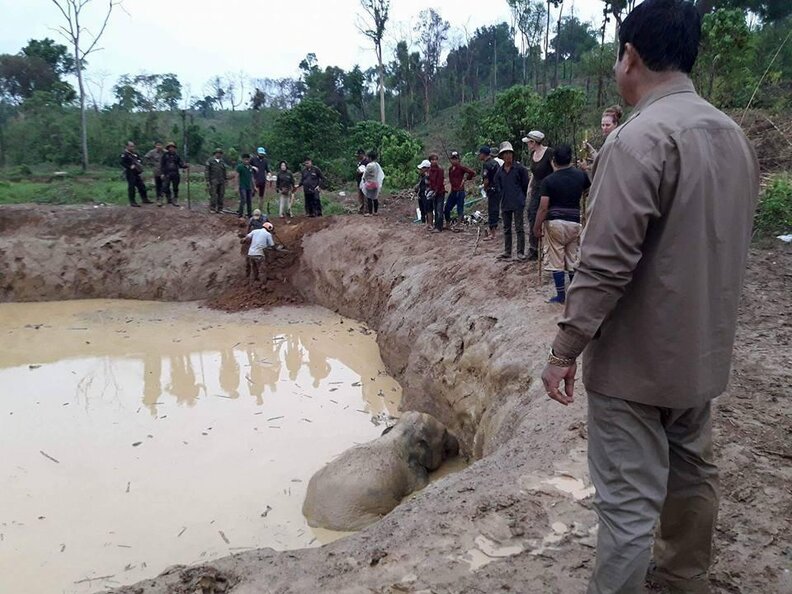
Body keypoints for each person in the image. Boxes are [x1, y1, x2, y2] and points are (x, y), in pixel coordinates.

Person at [539, 2, 760, 593]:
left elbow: (605, 263)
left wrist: (564, 349)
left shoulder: (637, 140)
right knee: (692, 476)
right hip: (700, 356)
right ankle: (685, 579)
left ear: (630, 57)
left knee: (627, 503)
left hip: (634, 366)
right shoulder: (734, 138)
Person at [532, 144, 590, 303]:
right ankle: (575, 294)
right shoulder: (581, 176)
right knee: (572, 259)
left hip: (555, 223)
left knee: (556, 260)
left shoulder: (548, 181)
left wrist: (536, 226)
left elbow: (543, 207)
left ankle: (561, 295)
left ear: (554, 161)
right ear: (570, 158)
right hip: (574, 222)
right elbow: (587, 191)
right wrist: (584, 170)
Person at [493, 141, 529, 261]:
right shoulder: (500, 171)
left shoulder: (520, 169)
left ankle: (520, 252)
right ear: (502, 156)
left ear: (512, 154)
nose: (508, 156)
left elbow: (525, 185)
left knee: (519, 228)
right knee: (507, 228)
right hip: (505, 202)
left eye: (509, 153)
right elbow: (498, 186)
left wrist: (521, 197)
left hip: (518, 202)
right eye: (505, 153)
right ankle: (507, 251)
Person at [522, 131, 554, 260]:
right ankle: (534, 248)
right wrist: (529, 188)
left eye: (528, 142)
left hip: (548, 190)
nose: (527, 145)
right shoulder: (533, 154)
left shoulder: (549, 153)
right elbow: (534, 174)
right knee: (532, 215)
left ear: (533, 142)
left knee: (547, 216)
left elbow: (555, 171)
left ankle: (547, 248)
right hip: (536, 189)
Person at [444, 151, 475, 226]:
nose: (454, 160)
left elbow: (472, 173)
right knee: (447, 208)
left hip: (460, 191)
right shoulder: (450, 169)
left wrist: (466, 179)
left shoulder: (461, 168)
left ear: (458, 159)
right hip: (453, 191)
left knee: (459, 208)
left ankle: (458, 224)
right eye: (453, 159)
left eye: (456, 159)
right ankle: (448, 224)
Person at [478, 146, 501, 241]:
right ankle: (494, 230)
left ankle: (493, 234)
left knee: (492, 211)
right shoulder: (495, 163)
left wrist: (485, 188)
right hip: (498, 189)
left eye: (480, 154)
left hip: (492, 190)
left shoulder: (486, 164)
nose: (479, 156)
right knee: (495, 210)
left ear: (483, 154)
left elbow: (486, 180)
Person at [120, 141, 151, 207]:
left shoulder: (135, 153)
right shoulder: (125, 154)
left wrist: (139, 164)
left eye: (133, 146)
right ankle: (132, 201)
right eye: (131, 146)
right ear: (127, 146)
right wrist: (129, 166)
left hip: (137, 172)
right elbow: (122, 162)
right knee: (132, 187)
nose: (132, 148)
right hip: (130, 172)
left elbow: (139, 160)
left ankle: (144, 199)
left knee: (141, 186)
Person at [160, 141, 188, 206]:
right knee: (165, 187)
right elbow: (162, 165)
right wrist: (162, 173)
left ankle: (175, 200)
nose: (171, 148)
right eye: (170, 147)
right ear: (168, 148)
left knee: (175, 187)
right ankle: (163, 199)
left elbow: (180, 164)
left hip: (175, 173)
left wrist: (185, 166)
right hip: (167, 173)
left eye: (172, 147)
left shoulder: (177, 156)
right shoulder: (165, 155)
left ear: (174, 148)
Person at [361, 151, 385, 216]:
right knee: (375, 198)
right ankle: (376, 212)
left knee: (369, 198)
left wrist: (364, 179)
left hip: (369, 183)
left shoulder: (369, 165)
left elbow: (365, 174)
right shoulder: (377, 165)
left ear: (370, 158)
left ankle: (370, 213)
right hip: (376, 183)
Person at [205, 148, 228, 214]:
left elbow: (224, 171)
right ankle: (212, 208)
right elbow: (207, 171)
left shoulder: (222, 161)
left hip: (221, 180)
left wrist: (225, 179)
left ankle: (220, 208)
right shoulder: (210, 161)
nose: (219, 155)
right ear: (215, 153)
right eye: (218, 153)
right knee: (213, 195)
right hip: (213, 180)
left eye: (220, 153)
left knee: (221, 194)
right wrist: (207, 180)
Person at [427, 153, 446, 233]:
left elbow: (440, 182)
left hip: (440, 192)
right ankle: (436, 226)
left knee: (439, 209)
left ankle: (439, 227)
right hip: (433, 192)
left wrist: (435, 191)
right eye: (432, 160)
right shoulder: (430, 170)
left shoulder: (440, 170)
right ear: (430, 161)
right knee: (436, 209)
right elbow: (430, 181)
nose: (434, 161)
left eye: (435, 159)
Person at [236, 153, 255, 219]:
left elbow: (252, 177)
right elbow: (237, 176)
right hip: (242, 186)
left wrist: (254, 186)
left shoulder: (250, 167)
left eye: (247, 159)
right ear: (242, 160)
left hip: (248, 186)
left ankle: (249, 214)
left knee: (249, 200)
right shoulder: (240, 167)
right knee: (243, 200)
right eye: (245, 159)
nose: (246, 161)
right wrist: (236, 186)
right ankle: (240, 214)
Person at [250, 147, 270, 211]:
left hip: (262, 180)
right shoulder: (253, 159)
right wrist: (253, 167)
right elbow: (247, 166)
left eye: (262, 154)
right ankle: (250, 209)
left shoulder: (265, 161)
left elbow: (267, 170)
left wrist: (269, 174)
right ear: (258, 153)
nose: (262, 155)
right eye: (260, 153)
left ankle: (260, 210)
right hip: (254, 180)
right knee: (251, 195)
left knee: (261, 196)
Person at [415, 159, 431, 227]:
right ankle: (423, 222)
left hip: (425, 195)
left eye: (422, 168)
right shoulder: (422, 176)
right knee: (422, 210)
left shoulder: (428, 176)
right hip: (421, 195)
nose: (420, 170)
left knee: (427, 210)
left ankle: (427, 223)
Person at [355, 148, 370, 215]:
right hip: (359, 181)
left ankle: (367, 210)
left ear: (362, 154)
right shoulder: (360, 162)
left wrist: (362, 172)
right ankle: (361, 209)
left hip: (365, 181)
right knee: (360, 196)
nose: (357, 157)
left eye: (358, 155)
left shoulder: (367, 162)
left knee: (366, 196)